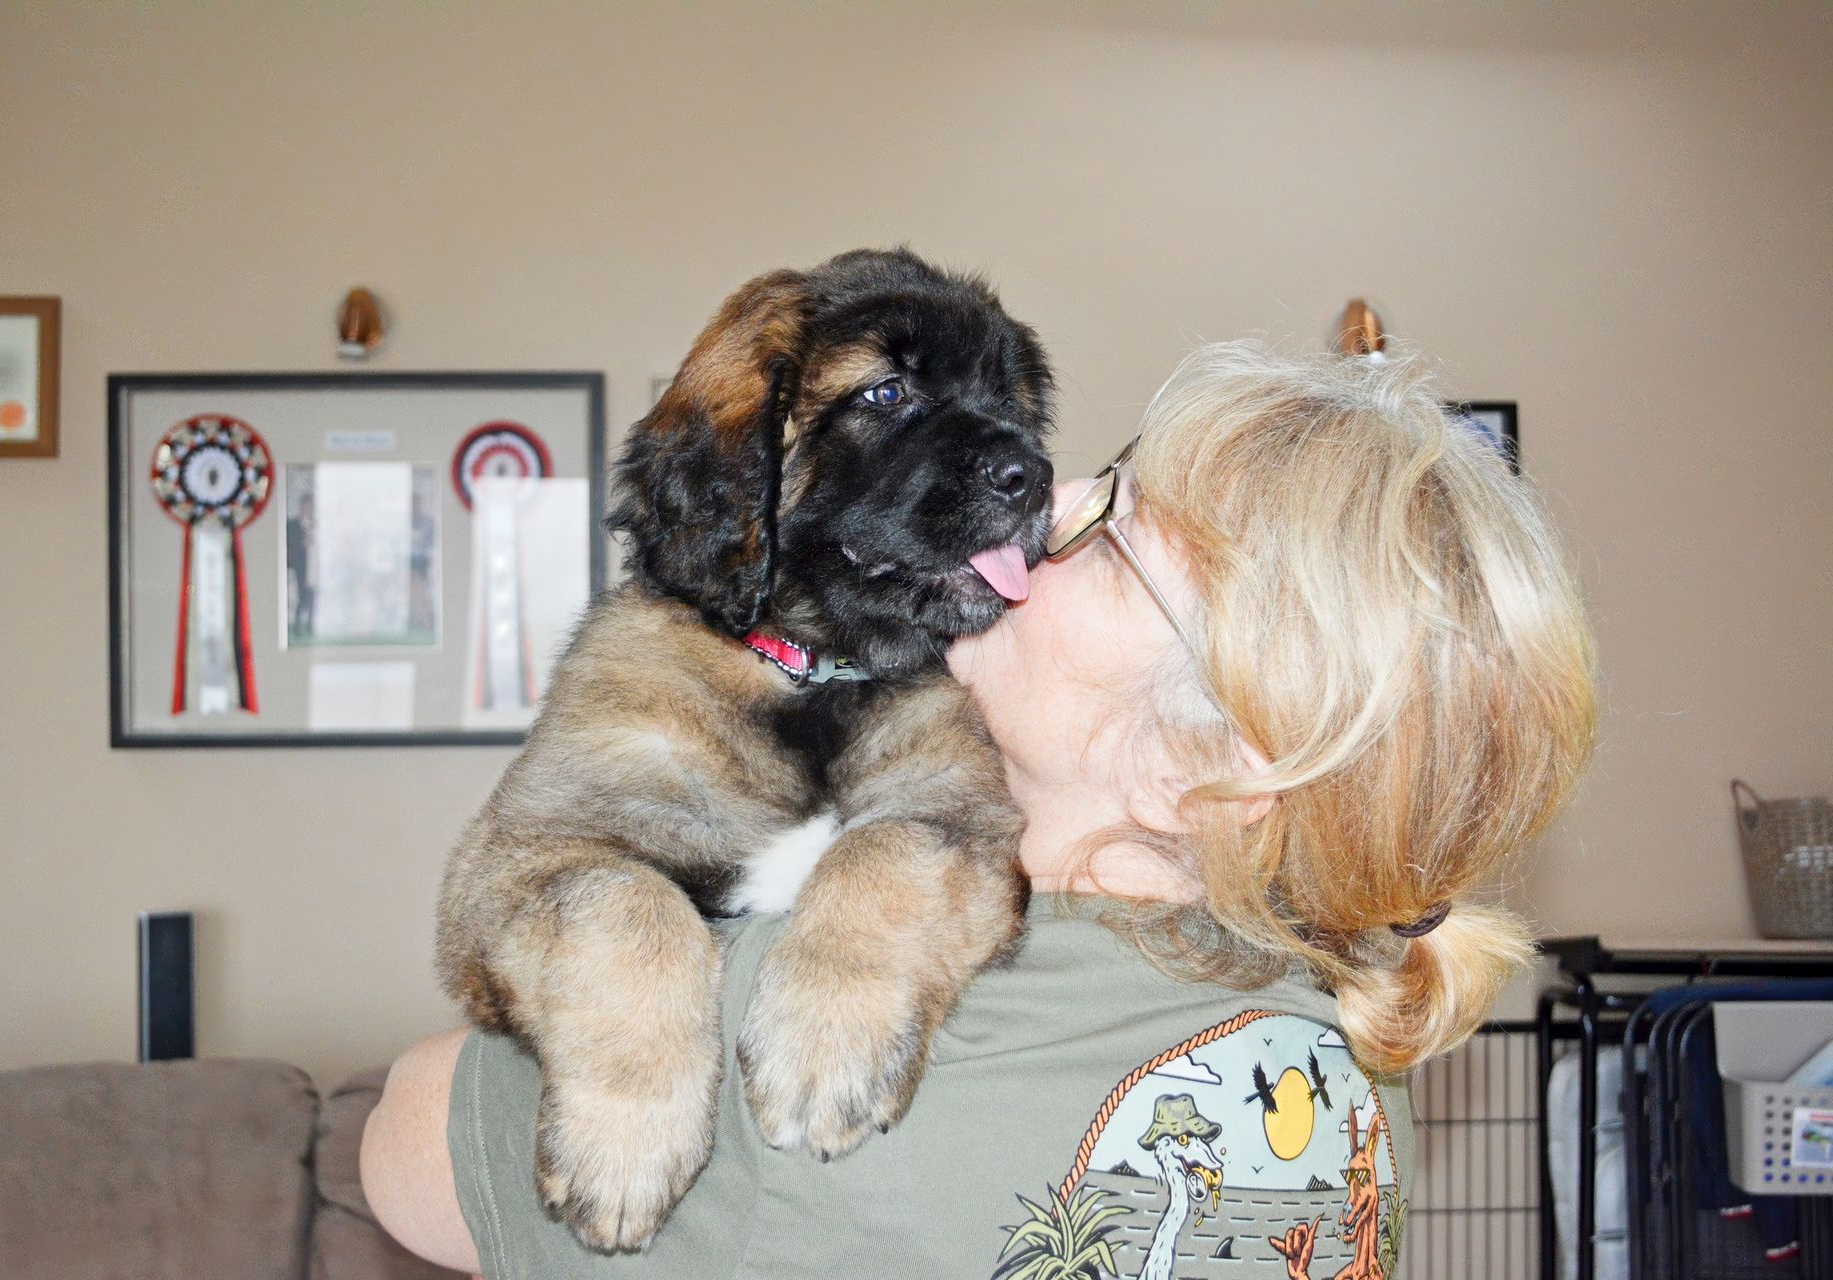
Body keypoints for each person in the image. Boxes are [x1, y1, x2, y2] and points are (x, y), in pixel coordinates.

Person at [361, 342, 1598, 1279]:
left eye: (1114, 537)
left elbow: (408, 1141)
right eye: (1103, 476)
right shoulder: (1342, 1045)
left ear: (1207, 769)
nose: (1048, 502)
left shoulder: (837, 1046)